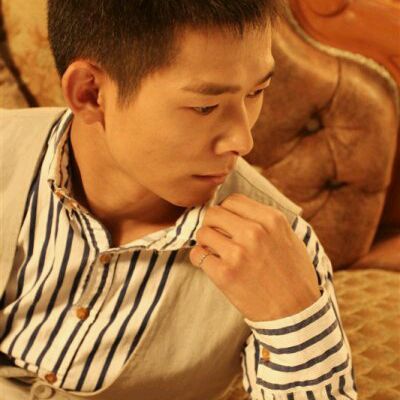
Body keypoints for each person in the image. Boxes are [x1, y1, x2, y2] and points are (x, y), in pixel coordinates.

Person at [0, 1, 358, 399]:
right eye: (205, 107)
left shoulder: (281, 250)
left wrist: (294, 320)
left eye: (257, 92)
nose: (242, 141)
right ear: (90, 93)